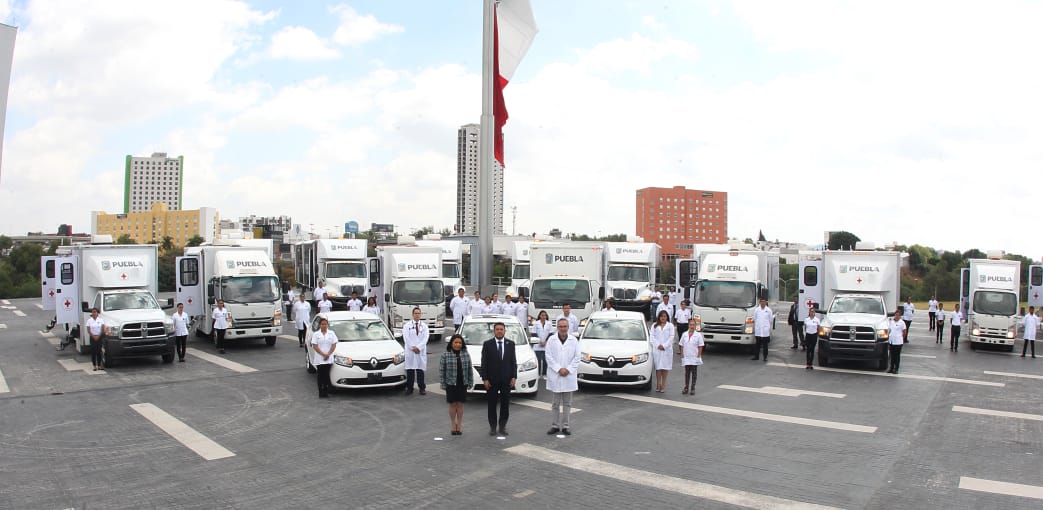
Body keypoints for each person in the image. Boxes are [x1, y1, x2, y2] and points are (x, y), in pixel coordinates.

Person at [545, 318, 580, 435]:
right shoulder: (551, 339)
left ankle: (566, 426)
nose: (563, 329)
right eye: (560, 326)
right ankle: (554, 425)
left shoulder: (574, 340)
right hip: (556, 375)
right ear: (557, 327)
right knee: (555, 404)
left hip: (568, 376)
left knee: (567, 403)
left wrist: (568, 369)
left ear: (568, 327)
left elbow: (577, 358)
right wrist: (559, 369)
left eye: (565, 326)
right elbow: (548, 356)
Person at [481, 322, 517, 436]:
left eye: (501, 329)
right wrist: (485, 379)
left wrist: (514, 376)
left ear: (505, 331)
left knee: (505, 404)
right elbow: (484, 363)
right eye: (497, 329)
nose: (499, 331)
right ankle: (492, 427)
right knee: (492, 405)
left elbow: (513, 362)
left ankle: (502, 427)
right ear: (494, 331)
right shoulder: (487, 344)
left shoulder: (510, 344)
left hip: (506, 380)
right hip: (492, 380)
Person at [439, 334, 473, 436]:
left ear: (462, 344)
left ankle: (460, 425)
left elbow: (469, 369)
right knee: (453, 404)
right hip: (451, 383)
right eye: (455, 342)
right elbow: (442, 370)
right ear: (451, 343)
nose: (457, 344)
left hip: (462, 383)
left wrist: (470, 382)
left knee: (460, 404)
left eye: (459, 343)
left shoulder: (466, 354)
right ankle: (453, 424)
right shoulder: (445, 355)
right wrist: (443, 383)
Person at [403, 307, 429, 395]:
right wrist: (413, 347)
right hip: (411, 351)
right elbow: (406, 338)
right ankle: (409, 388)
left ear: (420, 314)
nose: (417, 315)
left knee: (420, 370)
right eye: (415, 313)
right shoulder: (407, 326)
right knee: (410, 370)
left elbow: (425, 338)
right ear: (412, 314)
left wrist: (419, 347)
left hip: (420, 351)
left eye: (419, 313)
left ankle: (422, 388)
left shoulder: (424, 326)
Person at [649, 310, 675, 393]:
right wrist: (658, 345)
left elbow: (671, 337)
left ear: (667, 317)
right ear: (659, 317)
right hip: (657, 349)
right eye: (661, 316)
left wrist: (664, 345)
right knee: (658, 367)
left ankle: (663, 385)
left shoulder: (670, 326)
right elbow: (652, 337)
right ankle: (658, 384)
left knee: (665, 367)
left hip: (666, 350)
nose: (663, 318)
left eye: (664, 316)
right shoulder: (654, 325)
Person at [311, 317, 338, 398]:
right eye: (322, 324)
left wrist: (328, 354)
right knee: (320, 375)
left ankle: (326, 391)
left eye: (325, 324)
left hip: (328, 358)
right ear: (320, 325)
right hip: (320, 358)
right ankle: (320, 392)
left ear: (327, 325)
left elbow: (334, 345)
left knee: (326, 375)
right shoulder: (316, 334)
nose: (324, 326)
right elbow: (315, 346)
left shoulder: (331, 333)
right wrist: (323, 354)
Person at [679, 317, 704, 395]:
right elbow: (681, 345)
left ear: (695, 326)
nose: (692, 326)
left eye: (693, 325)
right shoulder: (684, 334)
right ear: (689, 325)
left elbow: (700, 346)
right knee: (687, 373)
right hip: (686, 356)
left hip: (694, 356)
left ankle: (692, 388)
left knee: (694, 373)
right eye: (690, 325)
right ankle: (686, 387)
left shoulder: (698, 335)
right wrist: (682, 355)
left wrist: (698, 356)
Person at [531, 310, 553, 377]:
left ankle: (544, 374)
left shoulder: (549, 323)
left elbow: (551, 333)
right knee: (538, 360)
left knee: (546, 360)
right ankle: (537, 374)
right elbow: (533, 333)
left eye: (545, 315)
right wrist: (539, 341)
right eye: (542, 315)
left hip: (546, 344)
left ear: (546, 316)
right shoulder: (536, 323)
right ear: (540, 316)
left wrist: (546, 341)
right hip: (538, 344)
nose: (543, 316)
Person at [887, 309, 906, 374]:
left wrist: (901, 339)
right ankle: (891, 368)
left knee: (897, 356)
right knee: (892, 356)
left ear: (900, 316)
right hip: (892, 341)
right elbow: (889, 330)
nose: (897, 316)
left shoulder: (902, 323)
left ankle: (896, 368)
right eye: (896, 315)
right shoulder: (892, 322)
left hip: (898, 342)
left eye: (898, 315)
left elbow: (904, 332)